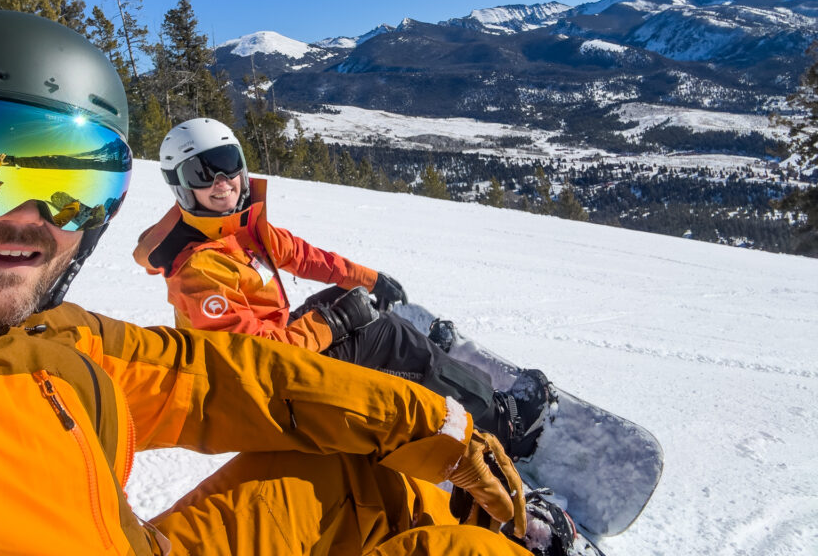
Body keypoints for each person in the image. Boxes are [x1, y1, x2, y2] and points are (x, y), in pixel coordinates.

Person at [0, 10, 533, 556]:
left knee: (365, 478)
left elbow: (202, 377)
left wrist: (423, 423)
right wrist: (333, 327)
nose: (28, 223)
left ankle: (489, 483)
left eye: (76, 185)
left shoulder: (43, 334)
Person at [134, 118, 584, 555]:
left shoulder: (238, 227)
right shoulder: (198, 270)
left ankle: (417, 374)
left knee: (355, 309)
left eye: (227, 162)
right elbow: (253, 359)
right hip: (255, 396)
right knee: (385, 336)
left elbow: (300, 254)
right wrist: (333, 323)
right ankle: (507, 425)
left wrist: (366, 280)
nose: (222, 181)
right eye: (201, 173)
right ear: (180, 185)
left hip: (276, 361)